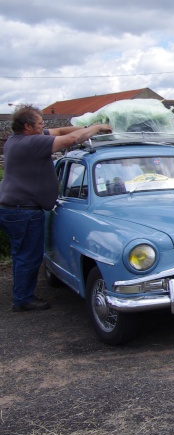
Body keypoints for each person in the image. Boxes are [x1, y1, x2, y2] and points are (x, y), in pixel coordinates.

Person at [0, 104, 112, 312]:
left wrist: (86, 127)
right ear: (27, 127)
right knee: (28, 255)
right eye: (40, 123)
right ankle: (23, 299)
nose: (44, 126)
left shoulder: (16, 140)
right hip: (23, 210)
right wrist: (96, 127)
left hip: (14, 208)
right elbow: (71, 140)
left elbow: (61, 132)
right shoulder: (32, 143)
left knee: (21, 253)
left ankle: (21, 293)